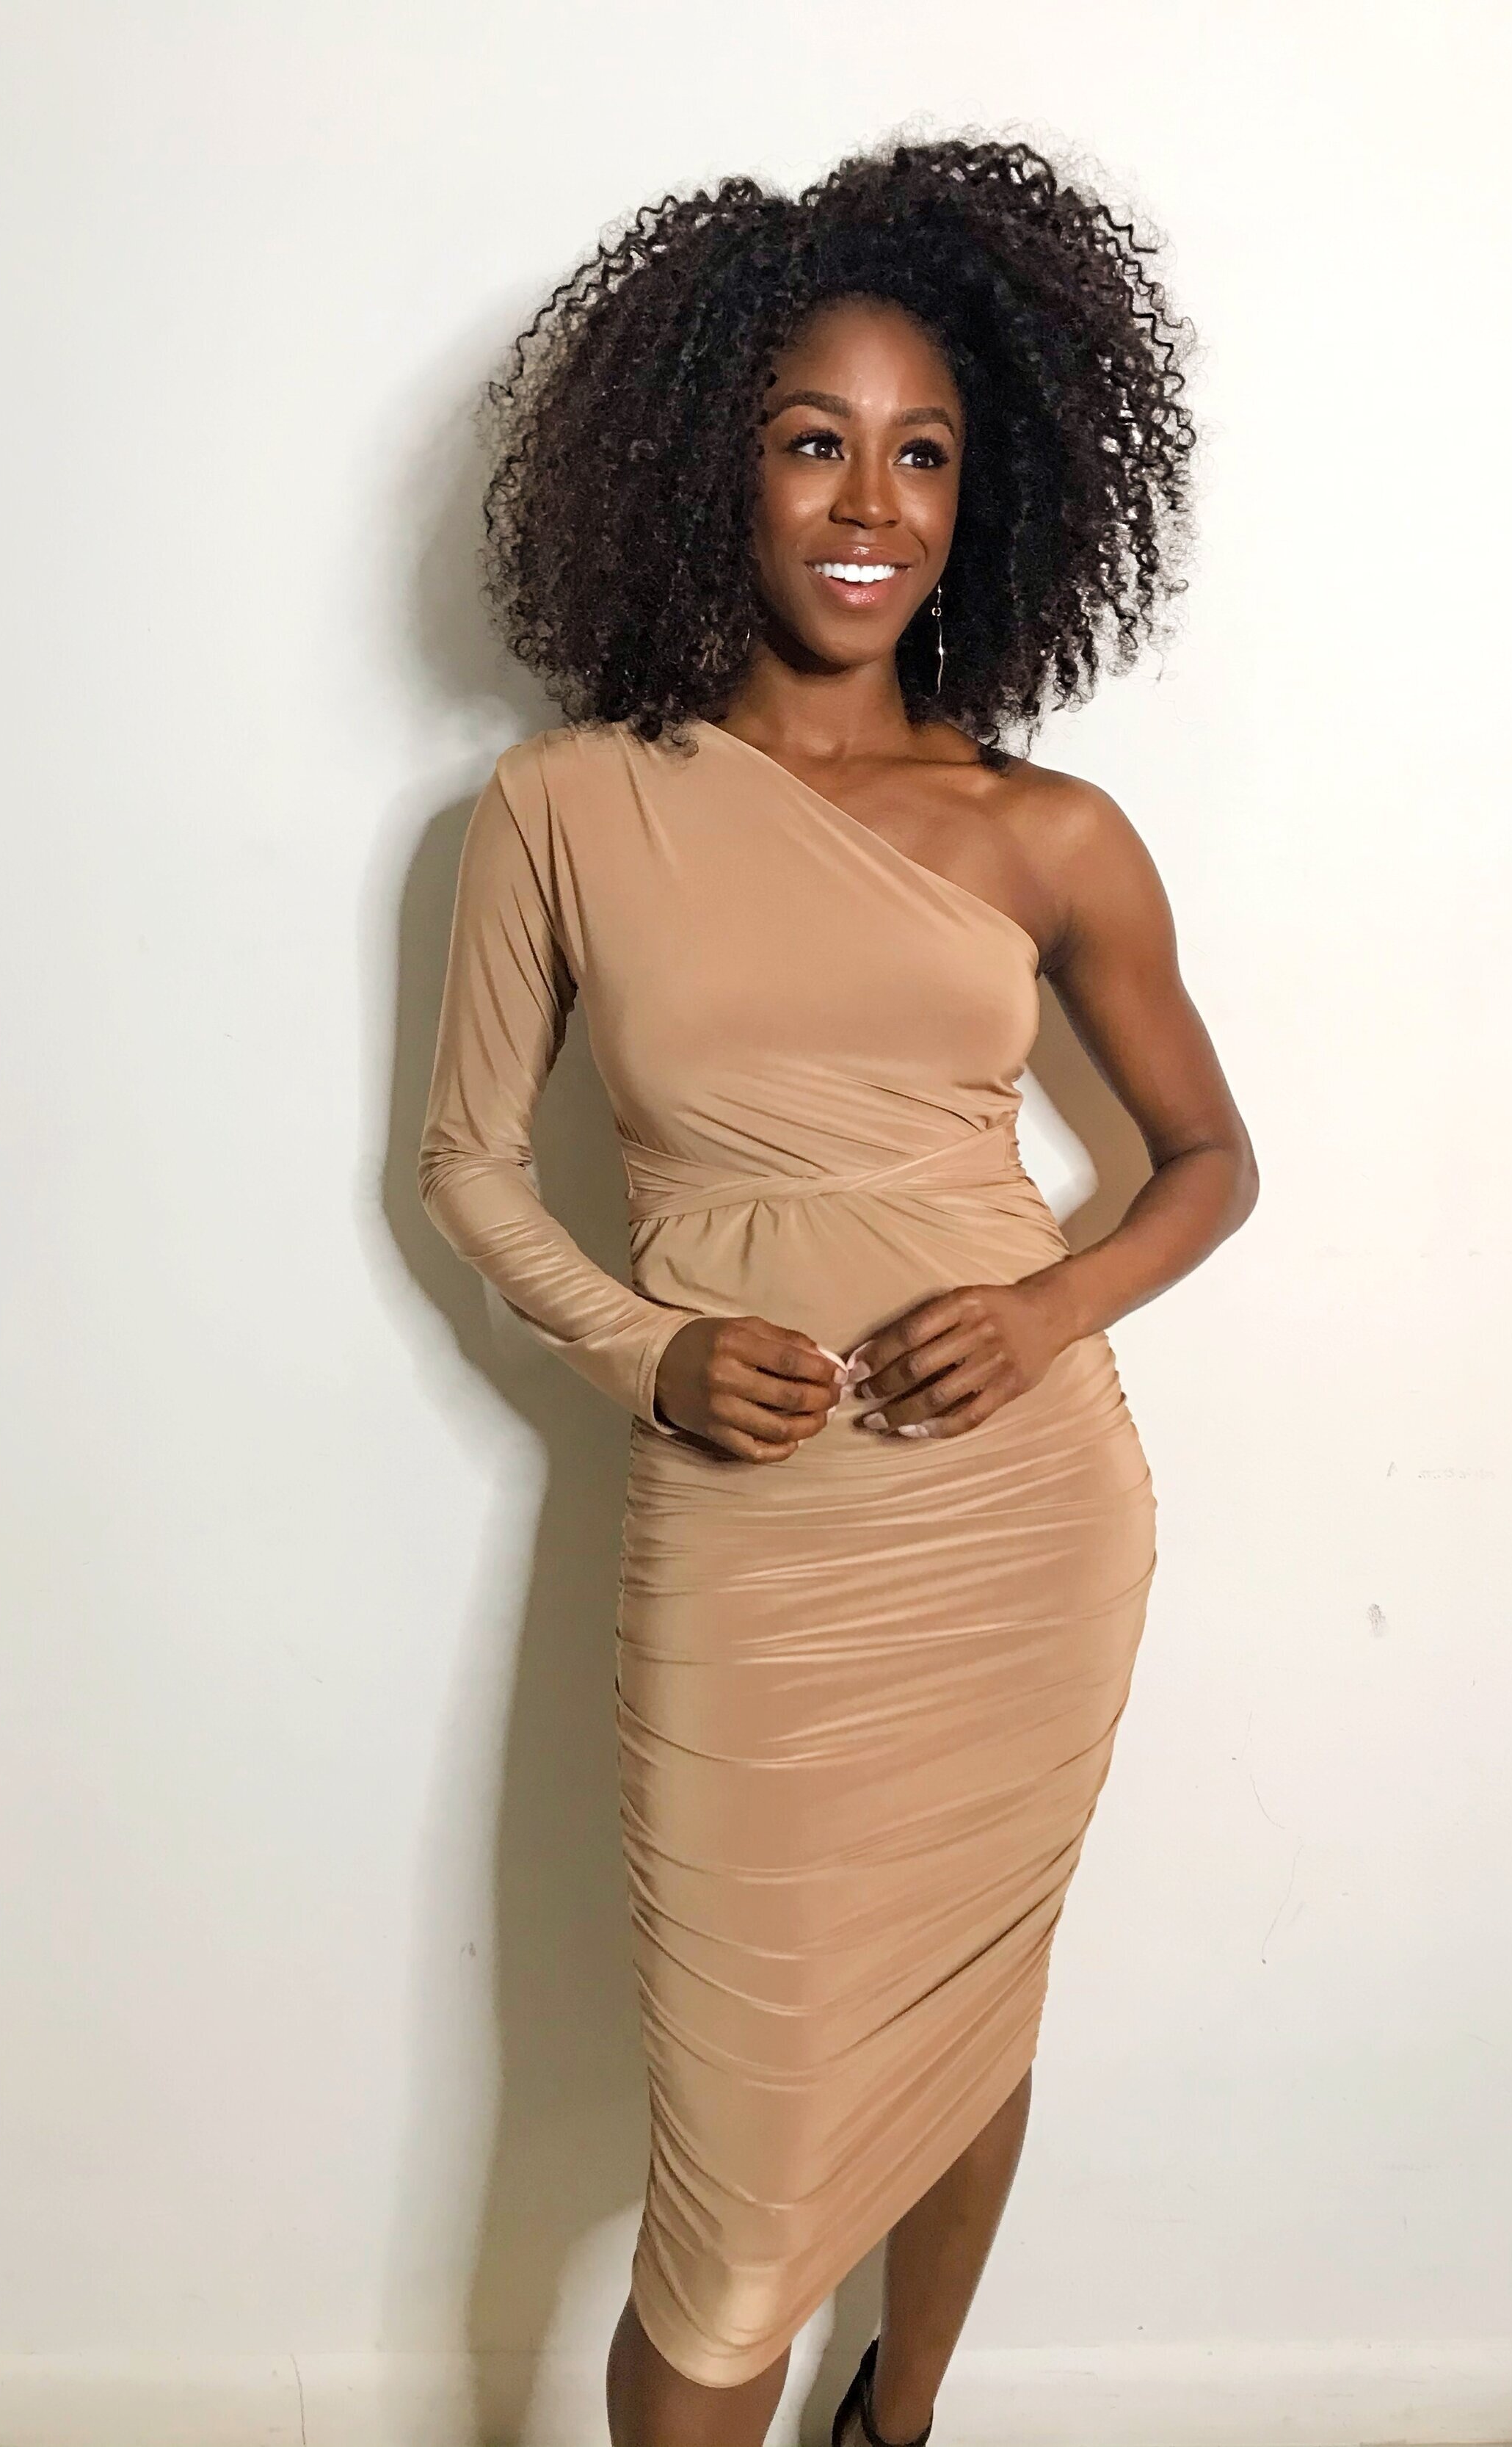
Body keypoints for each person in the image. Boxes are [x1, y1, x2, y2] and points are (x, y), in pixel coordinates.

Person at [418, 134, 1257, 2447]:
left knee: (965, 2018)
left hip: (1014, 1524)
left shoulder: (1044, 833)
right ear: (714, 466)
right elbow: (465, 1166)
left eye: (922, 452)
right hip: (747, 1537)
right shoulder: (567, 806)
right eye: (812, 442)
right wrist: (648, 1350)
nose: (869, 503)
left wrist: (1053, 1309)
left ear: (988, 492)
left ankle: (895, 2425)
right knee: (737, 2193)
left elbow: (1209, 1162)